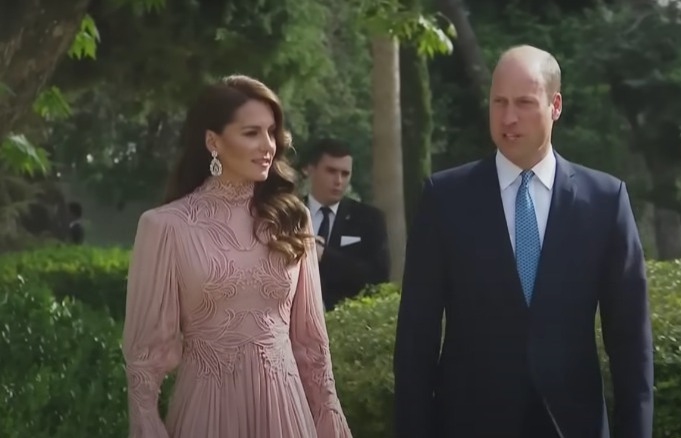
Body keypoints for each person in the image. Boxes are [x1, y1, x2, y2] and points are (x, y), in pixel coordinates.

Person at [393, 45, 653, 437]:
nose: (509, 118)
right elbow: (417, 335)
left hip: (572, 423)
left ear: (556, 105)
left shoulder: (604, 200)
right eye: (499, 102)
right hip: (468, 422)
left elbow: (631, 340)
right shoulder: (445, 199)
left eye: (524, 103)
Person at [122, 75, 352, 438]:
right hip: (207, 411)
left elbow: (310, 342)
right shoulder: (165, 227)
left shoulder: (293, 219)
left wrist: (329, 418)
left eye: (271, 131)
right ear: (213, 141)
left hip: (286, 412)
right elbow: (145, 353)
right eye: (251, 133)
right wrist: (146, 422)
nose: (268, 146)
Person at [302, 138, 390, 310]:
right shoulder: (287, 214)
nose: (338, 181)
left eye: (345, 174)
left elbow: (378, 277)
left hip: (345, 321)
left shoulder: (368, 219)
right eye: (331, 171)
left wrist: (324, 255)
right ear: (310, 170)